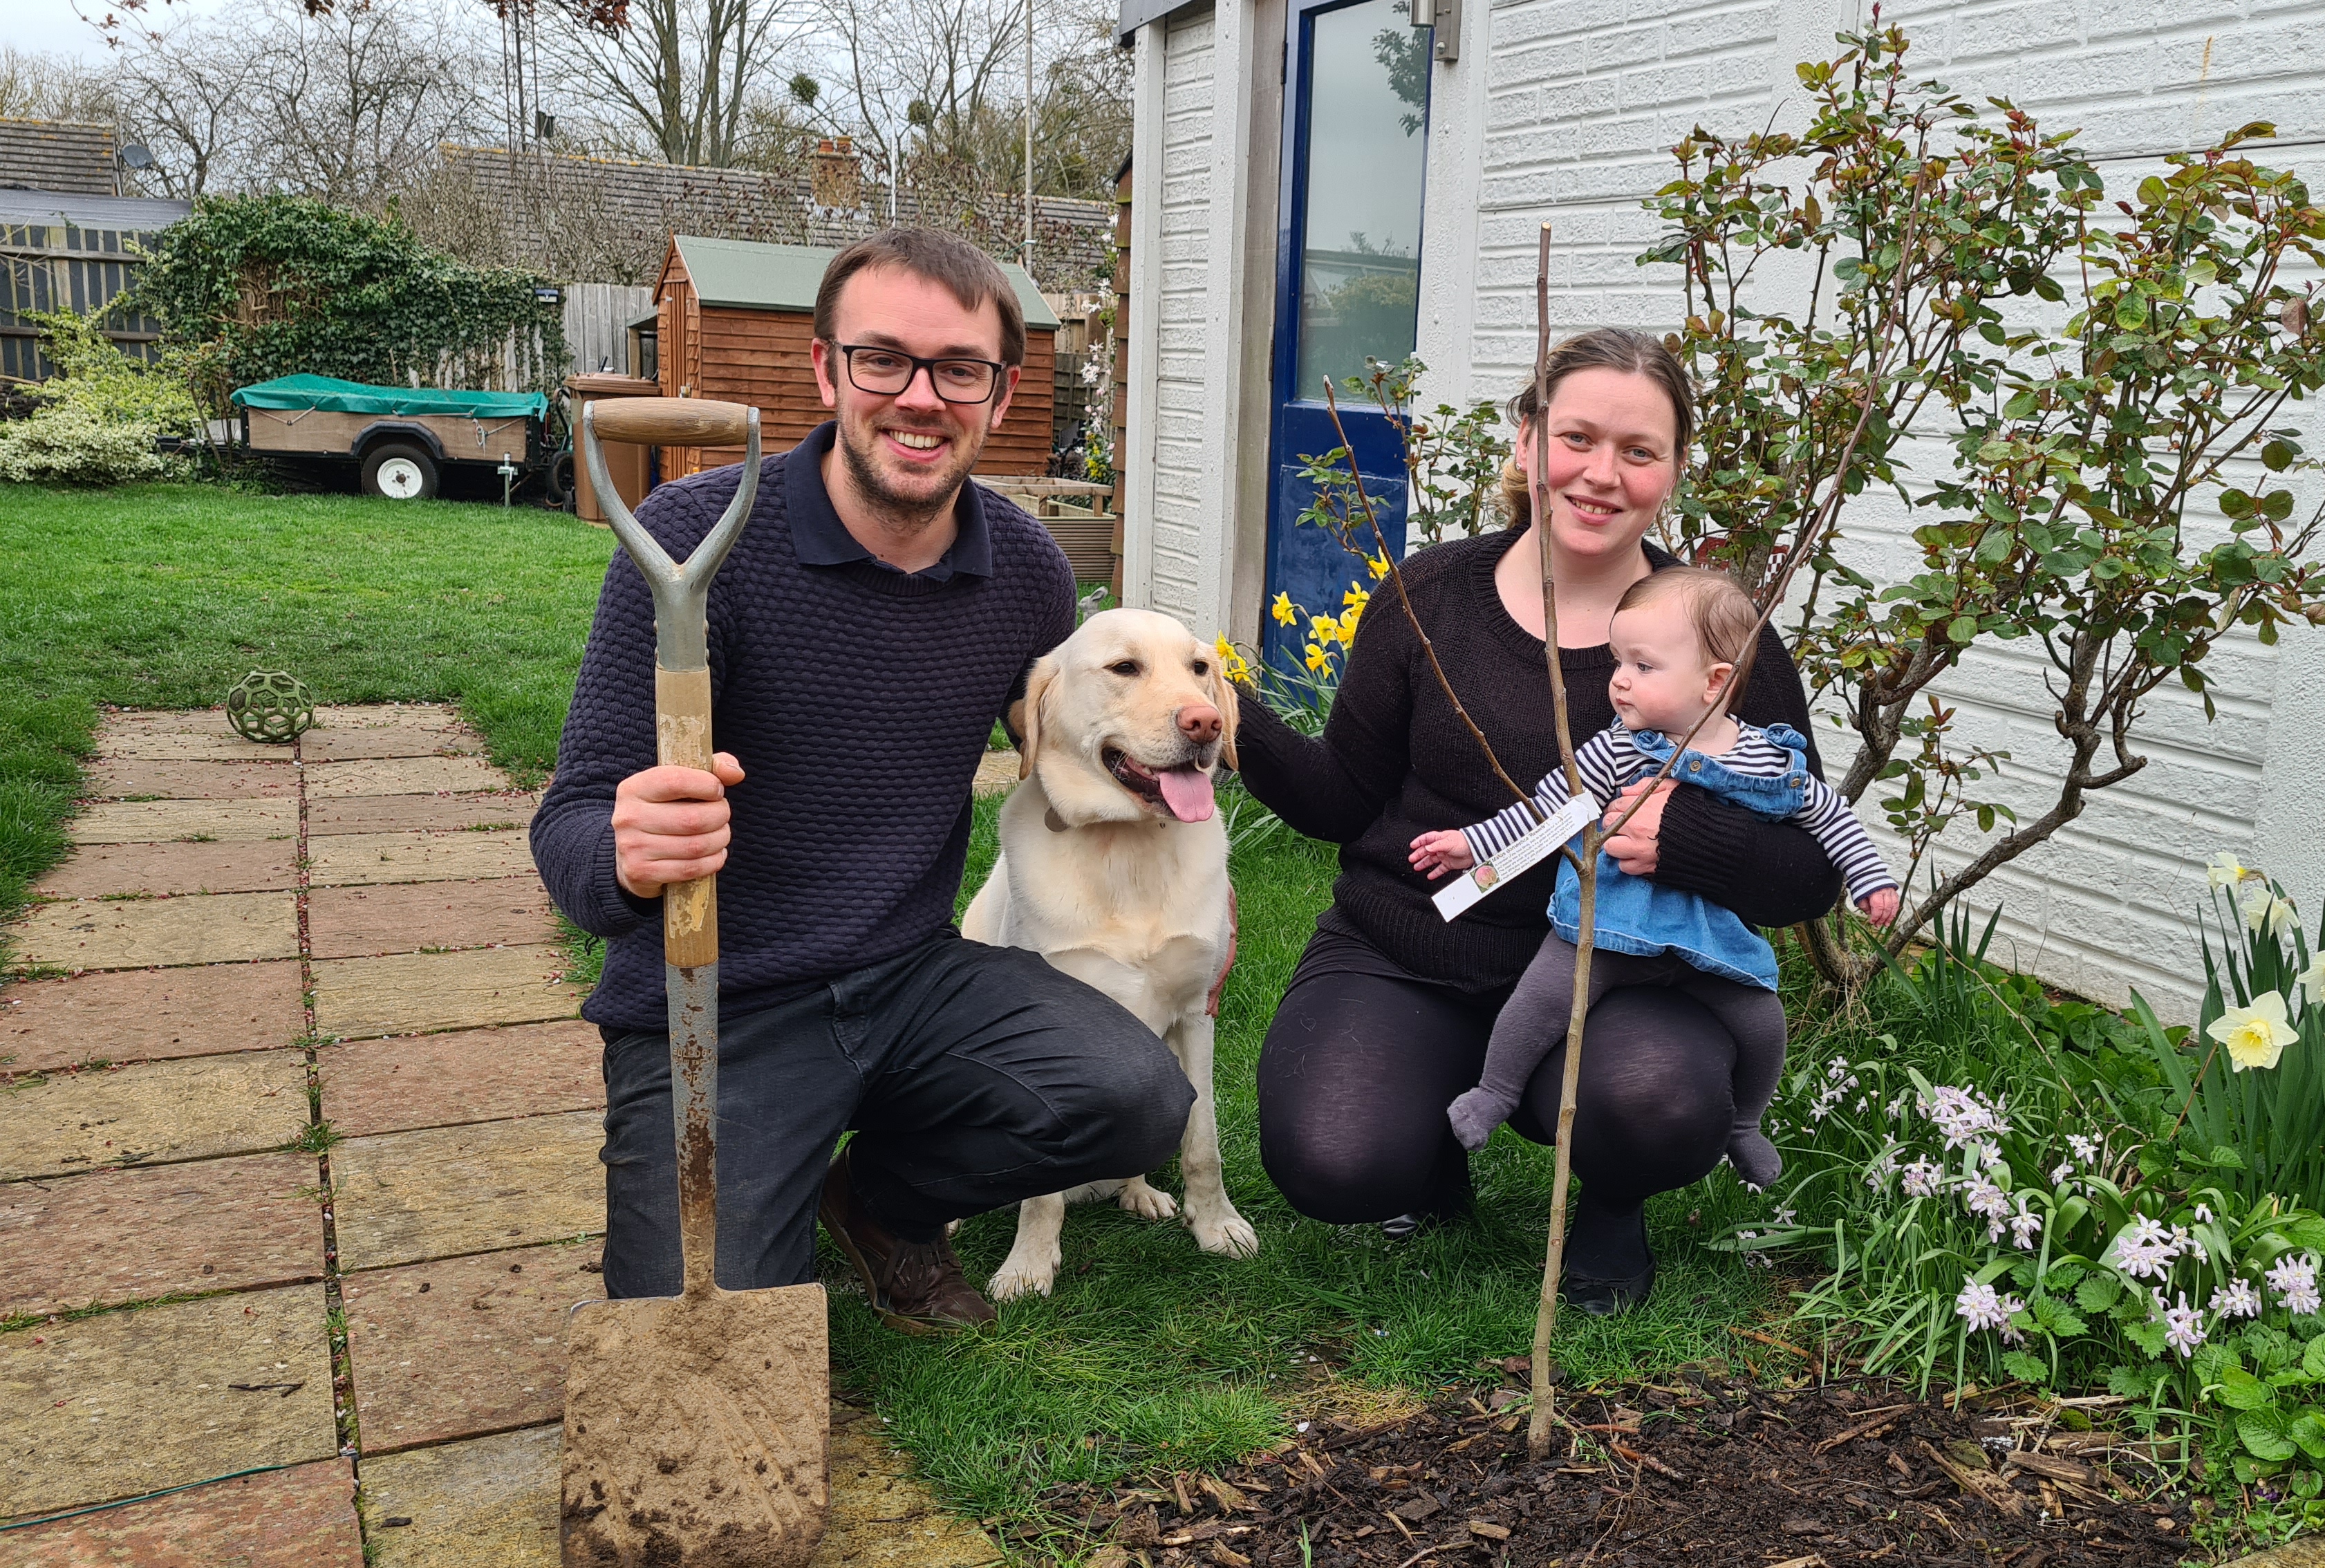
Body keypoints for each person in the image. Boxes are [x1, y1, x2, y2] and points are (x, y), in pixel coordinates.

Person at [530, 230, 1191, 1332]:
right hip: (717, 1000)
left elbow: (1091, 752)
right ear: (826, 369)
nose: (920, 399)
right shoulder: (696, 545)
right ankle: (773, 1185)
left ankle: (881, 1205)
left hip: (909, 976)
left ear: (1000, 391)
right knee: (693, 1313)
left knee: (1132, 1095)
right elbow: (573, 821)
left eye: (958, 369)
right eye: (883, 360)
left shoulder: (1025, 572)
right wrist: (623, 851)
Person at [1233, 328, 1854, 1313]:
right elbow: (1347, 796)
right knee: (1336, 1157)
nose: (1602, 475)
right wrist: (1232, 723)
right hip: (1419, 950)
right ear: (1526, 444)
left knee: (1658, 1100)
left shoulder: (1721, 641)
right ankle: (1426, 1156)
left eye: (1639, 451)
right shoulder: (1428, 603)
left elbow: (1811, 865)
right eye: (1577, 438)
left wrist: (1689, 841)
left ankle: (1612, 1201)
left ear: (1674, 471)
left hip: (1621, 974)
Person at [1410, 566, 1901, 1190]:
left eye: (1642, 666)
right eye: (1618, 661)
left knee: (1763, 1023)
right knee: (1542, 999)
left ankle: (1745, 1125)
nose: (1618, 681)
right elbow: (1549, 808)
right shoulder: (1616, 749)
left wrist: (1870, 880)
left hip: (1709, 939)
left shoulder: (1769, 760)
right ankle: (1494, 1092)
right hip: (1613, 924)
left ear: (1713, 681)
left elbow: (1829, 815)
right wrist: (1472, 847)